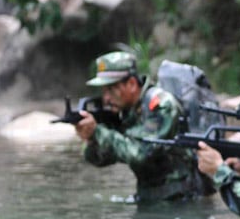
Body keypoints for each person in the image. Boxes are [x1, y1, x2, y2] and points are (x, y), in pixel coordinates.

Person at [75, 51, 213, 204]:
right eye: (104, 91)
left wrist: (98, 132)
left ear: (132, 84)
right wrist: (90, 139)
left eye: (111, 89)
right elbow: (101, 160)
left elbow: (141, 154)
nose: (106, 97)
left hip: (184, 201)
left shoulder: (161, 105)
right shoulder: (126, 112)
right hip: (151, 200)